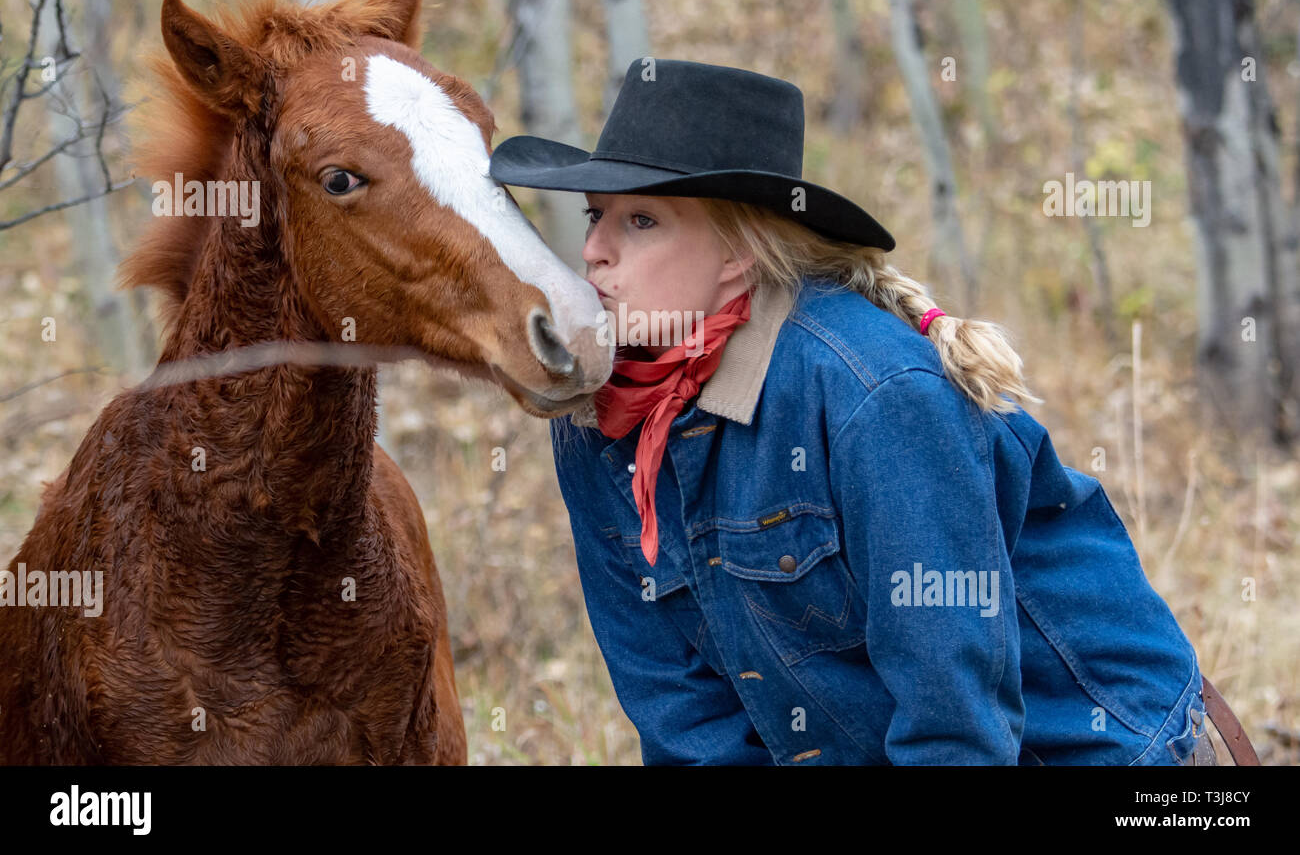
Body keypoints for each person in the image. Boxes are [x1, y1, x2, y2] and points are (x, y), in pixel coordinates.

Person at [487, 58, 1220, 765]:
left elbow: (956, 725)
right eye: (595, 215)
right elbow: (682, 725)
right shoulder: (599, 422)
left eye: (641, 221)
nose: (593, 250)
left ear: (738, 254)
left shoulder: (875, 396)